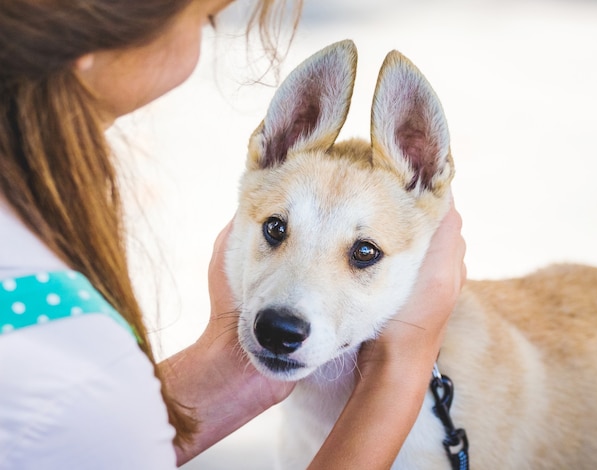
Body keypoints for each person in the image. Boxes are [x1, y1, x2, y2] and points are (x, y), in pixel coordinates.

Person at [0, 0, 466, 468]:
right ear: (89, 37)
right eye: (277, 230)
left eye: (363, 252)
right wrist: (399, 369)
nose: (290, 299)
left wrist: (234, 365)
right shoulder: (60, 395)